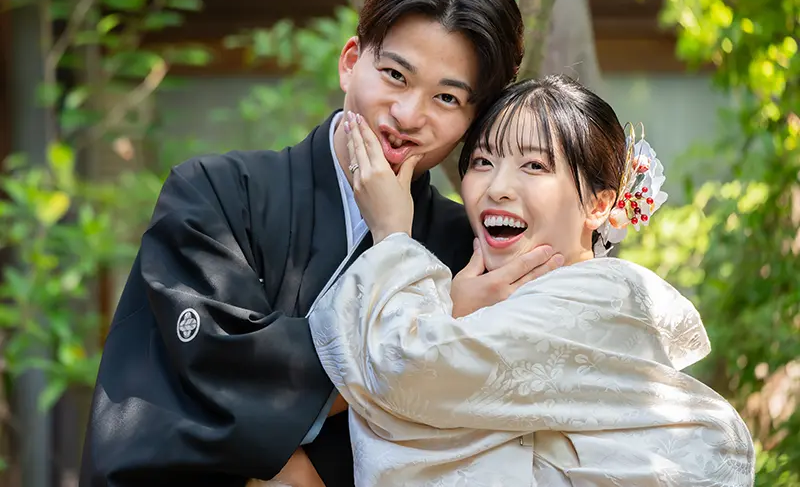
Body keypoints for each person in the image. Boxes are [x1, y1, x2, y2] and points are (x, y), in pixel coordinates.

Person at [78, 0, 564, 487]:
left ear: (473, 120)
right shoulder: (216, 194)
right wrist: (437, 322)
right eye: (395, 75)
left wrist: (397, 247)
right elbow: (211, 370)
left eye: (446, 98)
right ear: (350, 62)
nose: (407, 115)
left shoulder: (468, 251)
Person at [306, 74, 756, 486]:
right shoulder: (498, 297)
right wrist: (454, 312)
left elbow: (409, 371)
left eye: (535, 166)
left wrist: (391, 235)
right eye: (482, 161)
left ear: (599, 204)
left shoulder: (602, 296)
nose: (497, 187)